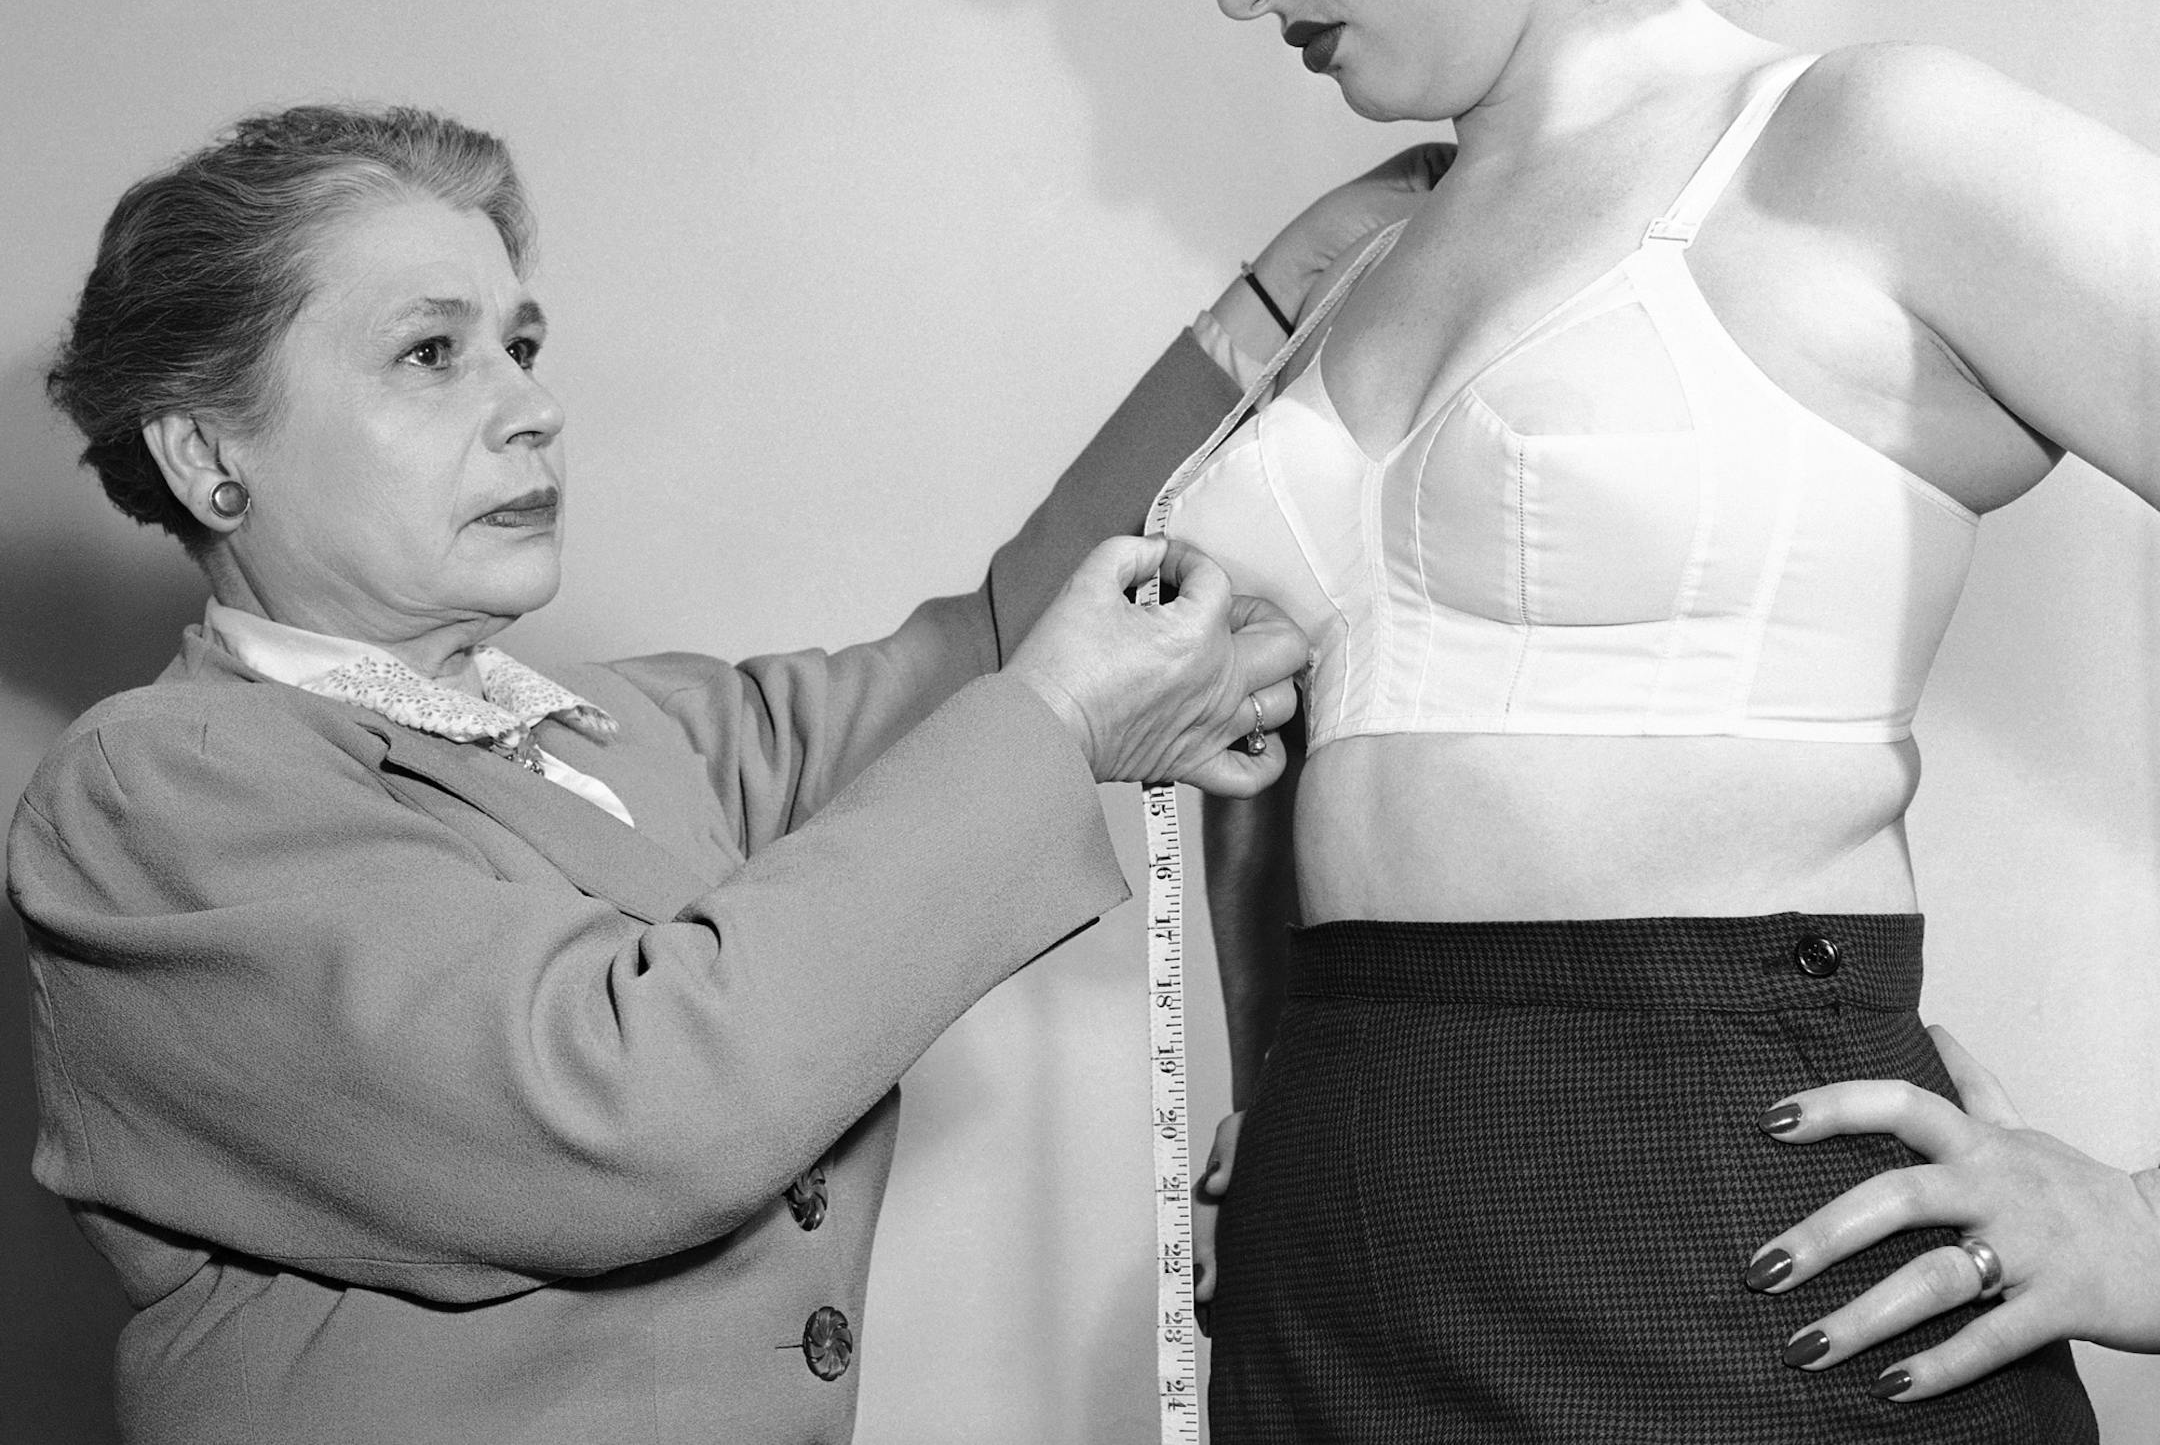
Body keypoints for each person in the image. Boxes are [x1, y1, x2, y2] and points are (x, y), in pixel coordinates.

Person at [1065, 0, 2160, 1438]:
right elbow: (1111, 695)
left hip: (1727, 1283)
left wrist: (2147, 1236)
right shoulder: (1342, 270)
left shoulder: (1859, 146)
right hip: (1326, 1292)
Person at [5, 102, 1416, 1445]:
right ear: (207, 454)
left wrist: (1271, 306)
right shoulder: (154, 793)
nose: (533, 408)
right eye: (431, 354)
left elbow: (988, 654)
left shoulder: (607, 731)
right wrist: (1064, 719)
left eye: (523, 343)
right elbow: (631, 1107)